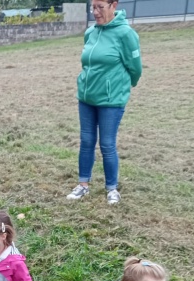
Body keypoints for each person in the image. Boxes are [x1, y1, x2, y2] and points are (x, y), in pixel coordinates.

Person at [66, 0, 142, 206]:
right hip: (86, 98)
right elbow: (88, 62)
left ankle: (111, 189)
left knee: (107, 144)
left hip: (111, 100)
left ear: (113, 5)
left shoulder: (125, 34)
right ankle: (83, 185)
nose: (95, 12)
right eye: (93, 7)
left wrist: (121, 87)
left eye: (100, 6)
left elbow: (135, 68)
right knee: (86, 141)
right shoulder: (90, 32)